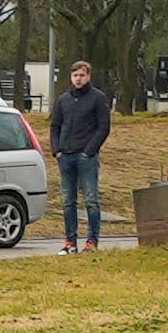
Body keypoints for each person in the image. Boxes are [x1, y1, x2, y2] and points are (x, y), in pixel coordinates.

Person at [49, 58, 114, 252]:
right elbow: (55, 126)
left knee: (91, 200)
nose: (78, 79)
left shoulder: (98, 98)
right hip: (65, 156)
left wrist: (89, 151)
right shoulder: (64, 100)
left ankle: (92, 241)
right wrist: (56, 150)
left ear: (88, 76)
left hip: (86, 157)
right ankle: (70, 241)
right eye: (75, 75)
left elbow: (103, 127)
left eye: (82, 75)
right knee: (68, 201)